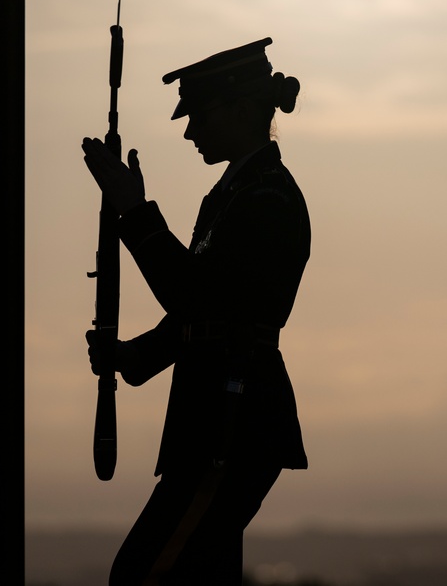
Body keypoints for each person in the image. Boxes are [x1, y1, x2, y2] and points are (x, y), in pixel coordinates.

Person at [81, 37, 310, 585]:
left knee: (145, 573)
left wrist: (134, 213)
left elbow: (196, 298)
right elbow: (203, 314)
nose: (189, 131)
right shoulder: (231, 195)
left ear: (242, 109)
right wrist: (133, 357)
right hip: (215, 420)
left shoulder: (266, 200)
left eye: (199, 115)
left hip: (233, 423)